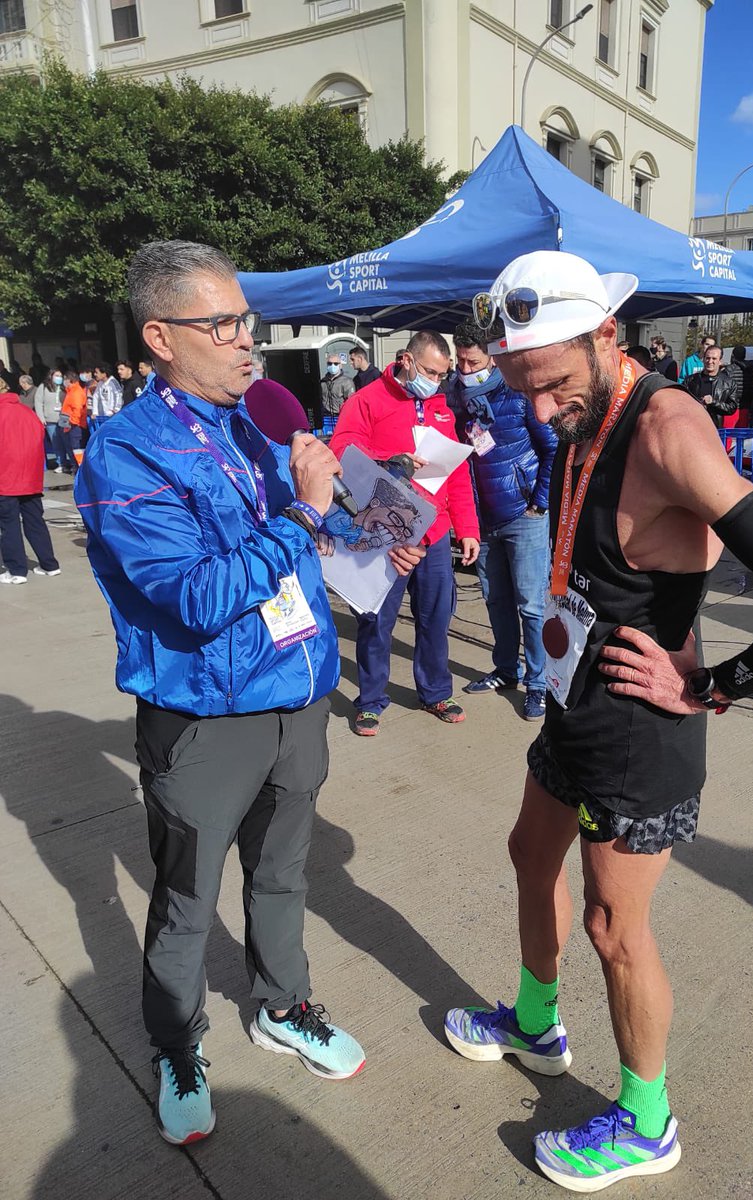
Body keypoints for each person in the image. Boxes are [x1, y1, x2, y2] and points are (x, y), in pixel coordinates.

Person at [443, 249, 753, 1194]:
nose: (541, 412)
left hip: (642, 732)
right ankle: (536, 1022)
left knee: (614, 928)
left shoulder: (670, 428)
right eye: (522, 392)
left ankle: (647, 1120)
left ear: (605, 336)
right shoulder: (580, 408)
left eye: (551, 386)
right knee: (527, 851)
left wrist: (712, 686)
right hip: (570, 704)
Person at [74, 240, 420, 1146]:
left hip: (299, 692)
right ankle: (176, 1041)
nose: (246, 344)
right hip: (203, 716)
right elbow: (196, 596)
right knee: (187, 898)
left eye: (246, 323)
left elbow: (312, 546)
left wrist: (373, 529)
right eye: (222, 325)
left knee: (281, 872)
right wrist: (302, 512)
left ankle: (281, 1004)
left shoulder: (257, 423)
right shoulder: (124, 454)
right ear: (160, 336)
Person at [329, 330, 480, 736]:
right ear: (406, 359)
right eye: (430, 371)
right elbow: (342, 452)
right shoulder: (367, 400)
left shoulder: (441, 408)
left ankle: (435, 692)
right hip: (387, 534)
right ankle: (371, 699)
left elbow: (458, 473)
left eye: (442, 374)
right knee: (376, 621)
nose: (436, 379)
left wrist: (467, 529)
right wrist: (388, 460)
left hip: (434, 534)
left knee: (435, 619)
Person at [449, 319, 557, 722]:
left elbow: (552, 450)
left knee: (530, 604)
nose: (464, 369)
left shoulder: (517, 394)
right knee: (496, 602)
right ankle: (506, 669)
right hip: (483, 520)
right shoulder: (457, 401)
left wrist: (540, 504)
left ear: (491, 357)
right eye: (459, 361)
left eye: (471, 360)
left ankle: (539, 683)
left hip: (523, 515)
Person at [0, 376, 61, 583]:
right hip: (31, 477)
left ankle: (17, 570)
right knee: (35, 521)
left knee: (9, 525)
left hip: (6, 478)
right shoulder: (27, 412)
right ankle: (49, 564)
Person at [683, 344, 738, 427]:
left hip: (715, 428)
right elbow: (681, 403)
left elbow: (731, 408)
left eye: (714, 358)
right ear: (703, 359)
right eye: (707, 358)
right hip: (692, 427)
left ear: (720, 361)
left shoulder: (729, 383)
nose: (710, 361)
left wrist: (713, 402)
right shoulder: (690, 380)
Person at [34, 368, 65, 470]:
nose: (59, 378)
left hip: (63, 419)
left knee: (66, 443)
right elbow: (38, 402)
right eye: (56, 375)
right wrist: (41, 417)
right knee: (56, 443)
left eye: (60, 376)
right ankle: (60, 463)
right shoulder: (43, 387)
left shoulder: (64, 387)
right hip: (50, 419)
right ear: (51, 376)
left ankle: (67, 462)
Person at [58, 370, 88, 472]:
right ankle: (78, 468)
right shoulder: (71, 391)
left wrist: (72, 422)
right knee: (74, 448)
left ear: (69, 380)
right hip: (70, 425)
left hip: (76, 426)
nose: (63, 381)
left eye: (65, 379)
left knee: (77, 449)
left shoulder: (76, 392)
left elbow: (77, 409)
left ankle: (81, 469)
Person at [320, 353, 354, 431]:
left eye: (335, 363)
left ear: (340, 365)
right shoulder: (323, 382)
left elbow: (351, 402)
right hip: (325, 417)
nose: (332, 366)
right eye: (330, 363)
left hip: (340, 417)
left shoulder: (347, 382)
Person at [728, 345, 753, 421]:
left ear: (733, 355)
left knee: (729, 432)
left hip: (731, 408)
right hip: (746, 407)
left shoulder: (729, 370)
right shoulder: (752, 371)